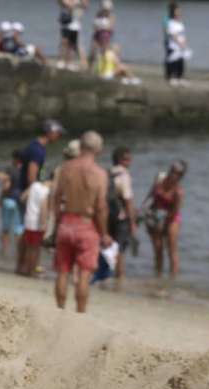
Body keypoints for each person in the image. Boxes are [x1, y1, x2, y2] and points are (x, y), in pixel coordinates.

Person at [51, 131, 110, 312]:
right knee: (84, 273)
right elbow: (100, 207)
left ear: (81, 146)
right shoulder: (99, 174)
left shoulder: (65, 168)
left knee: (63, 270)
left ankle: (60, 310)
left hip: (66, 221)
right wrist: (104, 233)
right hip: (86, 224)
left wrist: (57, 223)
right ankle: (80, 314)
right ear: (98, 149)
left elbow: (56, 198)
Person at [142, 159, 186, 278]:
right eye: (172, 171)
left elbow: (175, 210)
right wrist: (143, 211)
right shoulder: (160, 179)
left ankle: (172, 279)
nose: (173, 174)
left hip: (171, 218)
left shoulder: (179, 191)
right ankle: (158, 276)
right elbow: (150, 196)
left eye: (177, 173)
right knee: (158, 249)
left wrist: (165, 223)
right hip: (155, 215)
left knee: (171, 250)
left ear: (181, 176)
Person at [106, 146, 136, 287]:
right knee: (120, 250)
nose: (129, 161)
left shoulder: (108, 173)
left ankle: (106, 274)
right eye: (127, 159)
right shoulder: (124, 175)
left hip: (108, 215)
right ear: (120, 159)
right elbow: (128, 200)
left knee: (109, 246)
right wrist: (133, 222)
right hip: (121, 217)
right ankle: (119, 277)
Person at [19, 119, 63, 205]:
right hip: (27, 192)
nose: (59, 136)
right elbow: (31, 177)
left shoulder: (34, 145)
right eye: (58, 133)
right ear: (50, 132)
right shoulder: (37, 150)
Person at [18, 170, 51, 276]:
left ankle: (24, 268)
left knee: (28, 246)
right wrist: (44, 223)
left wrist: (30, 207)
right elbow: (43, 207)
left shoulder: (34, 185)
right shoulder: (46, 190)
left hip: (28, 220)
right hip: (37, 222)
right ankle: (31, 270)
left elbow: (22, 198)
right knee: (35, 248)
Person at [0, 149, 24, 258]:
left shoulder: (9, 169)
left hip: (8, 200)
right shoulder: (25, 170)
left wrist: (0, 198)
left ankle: (5, 253)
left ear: (14, 158)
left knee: (6, 229)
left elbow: (6, 186)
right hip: (20, 201)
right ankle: (19, 253)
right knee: (19, 229)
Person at [57, 0, 88, 70]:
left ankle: (69, 62)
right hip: (66, 23)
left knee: (71, 45)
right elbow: (68, 5)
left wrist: (83, 0)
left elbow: (85, 6)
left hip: (75, 25)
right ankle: (61, 61)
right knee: (64, 42)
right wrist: (78, 3)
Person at [164, 2, 189, 85]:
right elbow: (173, 34)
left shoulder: (180, 22)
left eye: (179, 11)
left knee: (181, 62)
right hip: (173, 46)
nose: (179, 12)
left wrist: (184, 43)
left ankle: (180, 78)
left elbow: (182, 33)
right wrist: (179, 43)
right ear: (173, 12)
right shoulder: (170, 22)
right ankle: (171, 78)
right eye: (177, 11)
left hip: (181, 46)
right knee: (173, 62)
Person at [89, 0, 115, 71]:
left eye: (107, 9)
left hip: (105, 35)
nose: (105, 10)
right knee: (92, 51)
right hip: (97, 34)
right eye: (104, 8)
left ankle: (104, 69)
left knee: (104, 52)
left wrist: (103, 28)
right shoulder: (98, 14)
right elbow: (94, 25)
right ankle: (90, 68)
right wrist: (97, 28)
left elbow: (111, 28)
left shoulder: (111, 16)